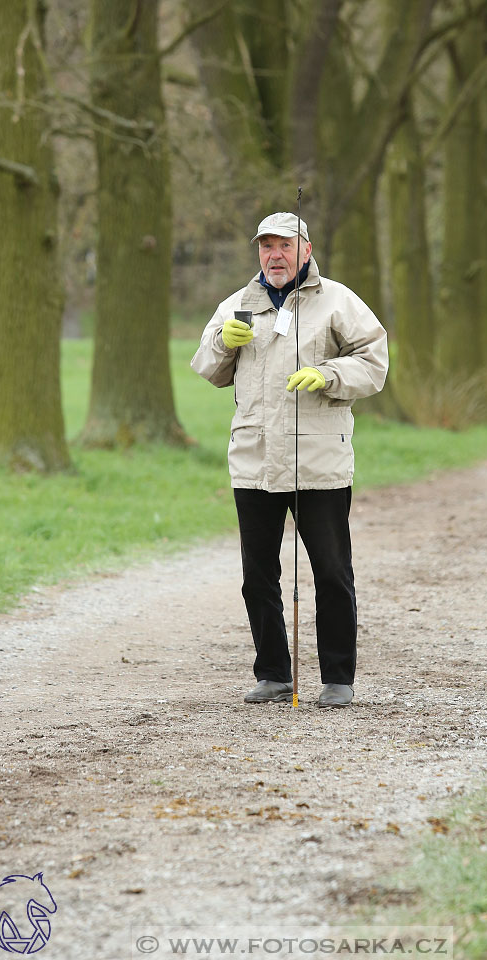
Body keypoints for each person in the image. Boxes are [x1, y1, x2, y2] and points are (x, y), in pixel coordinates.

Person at [191, 211, 388, 707]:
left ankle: (338, 679)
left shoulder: (338, 301)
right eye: (265, 247)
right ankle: (274, 674)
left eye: (284, 246)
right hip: (254, 460)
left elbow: (374, 362)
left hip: (319, 461)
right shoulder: (238, 305)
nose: (274, 255)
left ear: (306, 248)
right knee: (257, 575)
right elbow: (208, 369)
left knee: (331, 572)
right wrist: (221, 343)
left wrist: (329, 375)